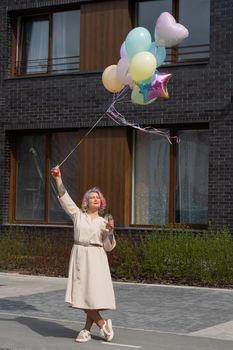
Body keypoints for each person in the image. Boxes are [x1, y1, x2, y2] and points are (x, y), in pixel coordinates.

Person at [51, 167, 116, 343]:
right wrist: (58, 179)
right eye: (91, 197)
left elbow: (109, 247)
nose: (95, 199)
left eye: (97, 198)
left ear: (101, 203)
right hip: (80, 256)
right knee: (82, 294)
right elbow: (65, 198)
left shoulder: (104, 222)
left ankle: (86, 330)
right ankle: (102, 324)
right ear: (85, 202)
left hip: (97, 257)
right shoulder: (77, 215)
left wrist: (110, 231)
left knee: (91, 296)